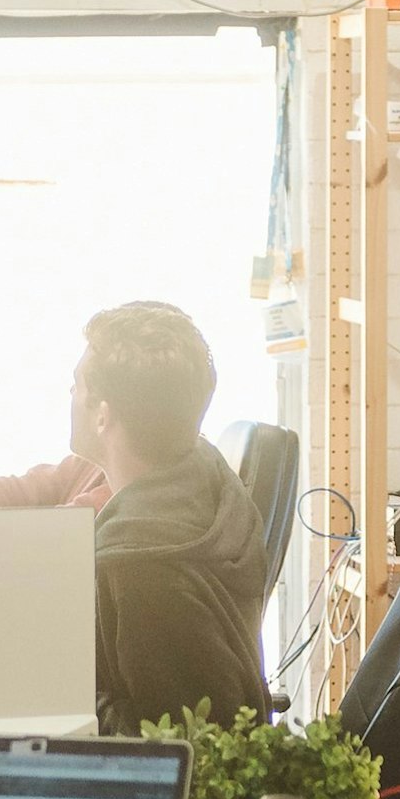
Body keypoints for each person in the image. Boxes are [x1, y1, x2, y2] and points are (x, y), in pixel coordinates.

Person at [72, 302, 271, 731]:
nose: (69, 396)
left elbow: (166, 743)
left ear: (102, 415)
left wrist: (67, 693)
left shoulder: (147, 570)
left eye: (75, 386)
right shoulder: (204, 480)